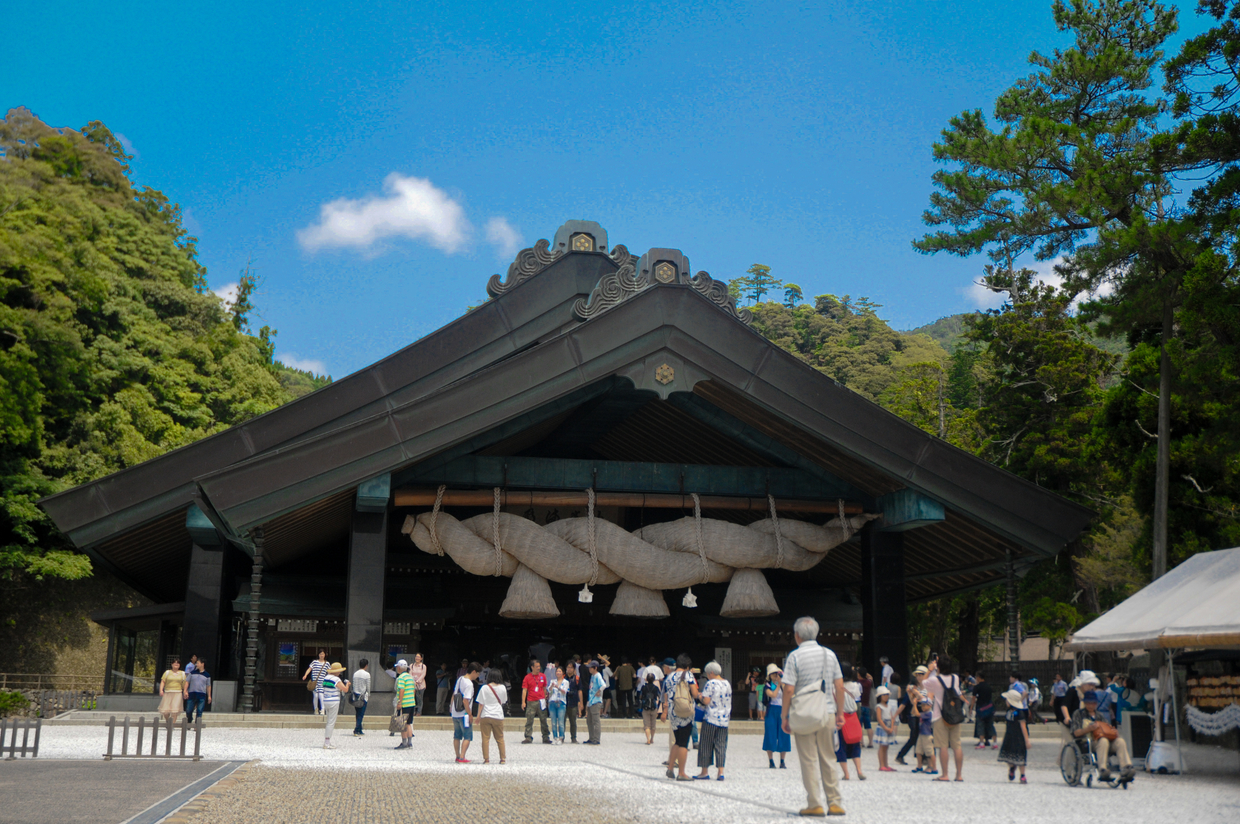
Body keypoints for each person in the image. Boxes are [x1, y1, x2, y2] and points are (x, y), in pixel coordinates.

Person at [781, 616, 846, 818]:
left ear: (797, 635)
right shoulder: (830, 654)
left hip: (804, 713)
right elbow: (840, 686)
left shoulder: (794, 657)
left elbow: (789, 689)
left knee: (808, 760)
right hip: (827, 711)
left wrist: (785, 716)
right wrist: (840, 713)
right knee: (828, 757)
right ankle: (835, 803)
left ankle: (815, 803)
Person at [1071, 690, 1136, 782]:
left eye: (1093, 703)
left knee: (1120, 741)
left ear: (1096, 703)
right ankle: (1103, 769)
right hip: (1088, 742)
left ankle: (1126, 767)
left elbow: (1107, 729)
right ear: (1085, 703)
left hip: (1104, 741)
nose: (1090, 705)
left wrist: (1113, 732)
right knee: (1103, 740)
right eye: (1088, 703)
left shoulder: (1100, 715)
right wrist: (1089, 729)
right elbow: (1075, 733)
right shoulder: (1078, 714)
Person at [921, 656, 964, 781]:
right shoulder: (955, 678)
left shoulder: (935, 680)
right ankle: (959, 775)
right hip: (955, 715)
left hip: (940, 715)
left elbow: (923, 683)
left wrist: (930, 670)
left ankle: (945, 774)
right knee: (957, 745)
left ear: (938, 667)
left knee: (943, 746)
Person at [662, 653, 698, 781]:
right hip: (684, 711)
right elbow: (694, 693)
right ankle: (681, 772)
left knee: (677, 740)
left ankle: (670, 768)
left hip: (673, 711)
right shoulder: (688, 675)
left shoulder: (669, 677)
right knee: (683, 743)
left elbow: (665, 695)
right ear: (687, 666)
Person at [694, 660, 732, 781]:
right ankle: (720, 772)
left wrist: (700, 696)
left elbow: (706, 701)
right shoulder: (727, 684)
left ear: (711, 672)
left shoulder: (711, 684)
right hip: (724, 719)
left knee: (706, 744)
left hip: (711, 718)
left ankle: (704, 772)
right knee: (721, 745)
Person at [834, 662, 864, 780]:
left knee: (841, 745)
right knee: (855, 743)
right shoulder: (856, 686)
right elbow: (858, 697)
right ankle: (859, 770)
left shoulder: (835, 686)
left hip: (841, 716)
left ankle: (846, 773)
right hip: (853, 716)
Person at [896, 666, 928, 767]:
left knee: (922, 736)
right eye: (917, 675)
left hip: (925, 713)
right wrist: (896, 714)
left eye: (921, 674)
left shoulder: (928, 687)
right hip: (913, 715)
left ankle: (922, 757)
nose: (919, 677)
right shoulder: (912, 688)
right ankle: (902, 755)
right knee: (914, 736)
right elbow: (906, 702)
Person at [998, 686, 1031, 783]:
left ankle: (1022, 775)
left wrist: (1027, 740)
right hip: (1009, 735)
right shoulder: (1008, 711)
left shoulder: (1020, 713)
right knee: (1008, 755)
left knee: (1021, 756)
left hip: (1019, 737)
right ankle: (1012, 768)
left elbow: (1023, 726)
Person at [762, 664, 791, 768]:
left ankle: (782, 761)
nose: (775, 676)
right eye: (773, 674)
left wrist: (782, 683)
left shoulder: (784, 685)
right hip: (772, 710)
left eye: (777, 674)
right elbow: (773, 695)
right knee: (770, 735)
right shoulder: (768, 686)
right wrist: (778, 685)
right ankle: (771, 760)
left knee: (784, 735)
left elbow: (789, 694)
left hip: (783, 710)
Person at [478, 669, 508, 764]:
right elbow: (503, 701)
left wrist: (478, 716)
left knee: (485, 738)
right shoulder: (503, 688)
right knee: (500, 738)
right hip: (498, 715)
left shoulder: (484, 688)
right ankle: (502, 759)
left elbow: (481, 703)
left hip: (486, 714)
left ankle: (486, 759)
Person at [452, 662, 480, 763]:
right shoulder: (469, 684)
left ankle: (457, 755)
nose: (477, 676)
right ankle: (462, 757)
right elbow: (465, 700)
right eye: (477, 674)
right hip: (464, 714)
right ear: (473, 672)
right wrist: (470, 714)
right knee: (467, 736)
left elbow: (454, 694)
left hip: (455, 712)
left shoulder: (460, 679)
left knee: (457, 735)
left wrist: (451, 708)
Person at [318, 662, 349, 749]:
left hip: (326, 700)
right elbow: (345, 689)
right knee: (331, 722)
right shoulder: (336, 679)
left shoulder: (325, 678)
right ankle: (327, 742)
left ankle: (327, 741)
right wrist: (348, 684)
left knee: (328, 721)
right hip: (334, 701)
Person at [521, 660, 551, 744]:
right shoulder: (527, 677)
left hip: (541, 701)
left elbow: (544, 688)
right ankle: (528, 736)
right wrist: (523, 702)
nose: (539, 668)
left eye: (539, 666)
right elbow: (524, 690)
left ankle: (545, 736)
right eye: (537, 666)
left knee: (543, 719)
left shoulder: (543, 676)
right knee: (529, 720)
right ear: (532, 667)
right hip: (531, 701)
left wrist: (545, 698)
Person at [394, 659, 417, 750]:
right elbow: (414, 690)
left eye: (397, 667)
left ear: (399, 668)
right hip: (411, 702)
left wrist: (399, 702)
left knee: (402, 723)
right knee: (409, 723)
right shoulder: (410, 677)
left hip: (404, 703)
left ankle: (404, 743)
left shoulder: (401, 678)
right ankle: (410, 743)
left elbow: (401, 690)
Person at [874, 686, 899, 771]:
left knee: (886, 747)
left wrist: (891, 727)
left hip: (889, 726)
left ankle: (886, 764)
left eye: (887, 695)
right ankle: (881, 765)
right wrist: (885, 728)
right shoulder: (879, 706)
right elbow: (879, 718)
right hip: (882, 727)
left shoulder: (889, 706)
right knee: (882, 746)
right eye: (884, 695)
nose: (886, 696)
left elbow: (892, 717)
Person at [973, 671, 997, 748]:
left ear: (979, 677)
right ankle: (995, 743)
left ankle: (981, 743)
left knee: (980, 725)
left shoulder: (977, 687)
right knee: (990, 725)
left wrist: (971, 708)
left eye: (976, 677)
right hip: (989, 708)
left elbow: (973, 698)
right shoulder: (988, 686)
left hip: (981, 708)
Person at [302, 650, 329, 715]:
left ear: (325, 655)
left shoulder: (327, 663)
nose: (321, 655)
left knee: (321, 695)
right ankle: (316, 709)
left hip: (322, 682)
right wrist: (305, 675)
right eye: (320, 654)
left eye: (322, 654)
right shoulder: (314, 662)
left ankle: (323, 709)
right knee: (316, 696)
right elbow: (309, 669)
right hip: (315, 682)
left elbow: (329, 671)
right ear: (318, 655)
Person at [585, 659, 605, 744]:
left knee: (596, 720)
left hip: (596, 702)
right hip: (591, 701)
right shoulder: (593, 676)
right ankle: (591, 737)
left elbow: (604, 685)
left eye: (591, 668)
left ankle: (596, 739)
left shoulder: (598, 675)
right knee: (589, 720)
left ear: (595, 668)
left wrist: (599, 691)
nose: (589, 669)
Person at [548, 665, 569, 744]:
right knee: (553, 722)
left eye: (560, 671)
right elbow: (549, 692)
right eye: (557, 671)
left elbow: (565, 692)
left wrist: (558, 687)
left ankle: (561, 737)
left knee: (560, 722)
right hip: (552, 702)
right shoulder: (552, 681)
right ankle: (555, 738)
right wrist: (551, 686)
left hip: (561, 703)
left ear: (563, 673)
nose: (558, 672)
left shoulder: (566, 682)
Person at [640, 671, 661, 744]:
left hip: (645, 707)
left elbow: (640, 696)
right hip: (653, 706)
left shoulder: (644, 687)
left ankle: (648, 739)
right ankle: (652, 739)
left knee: (647, 725)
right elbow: (659, 697)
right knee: (653, 724)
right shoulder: (656, 688)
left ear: (646, 679)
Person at [855, 665, 874, 748]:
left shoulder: (857, 684)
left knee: (859, 726)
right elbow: (870, 677)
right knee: (868, 725)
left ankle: (861, 742)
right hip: (867, 705)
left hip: (859, 705)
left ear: (859, 674)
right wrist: (864, 672)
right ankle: (870, 743)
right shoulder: (869, 682)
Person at [351, 658, 371, 737]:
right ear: (366, 665)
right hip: (363, 696)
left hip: (356, 695)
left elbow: (354, 684)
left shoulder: (355, 673)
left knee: (357, 713)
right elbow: (368, 686)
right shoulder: (367, 674)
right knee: (361, 713)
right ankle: (356, 729)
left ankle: (359, 729)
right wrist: (368, 694)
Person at [564, 662, 581, 743]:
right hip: (564, 702)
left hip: (573, 703)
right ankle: (561, 736)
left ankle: (573, 737)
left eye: (571, 667)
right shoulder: (563, 678)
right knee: (562, 721)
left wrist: (580, 702)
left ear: (574, 669)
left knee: (573, 721)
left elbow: (580, 691)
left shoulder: (577, 679)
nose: (569, 669)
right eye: (568, 667)